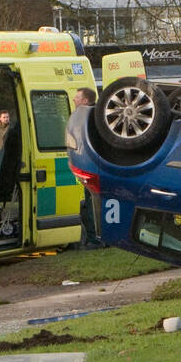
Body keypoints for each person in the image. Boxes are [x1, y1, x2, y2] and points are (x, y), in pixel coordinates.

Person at [71, 87, 103, 248]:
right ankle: (98, 238)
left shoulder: (89, 117)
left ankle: (96, 239)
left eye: (77, 97)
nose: (74, 100)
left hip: (93, 169)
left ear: (85, 100)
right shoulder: (95, 114)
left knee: (92, 205)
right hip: (93, 167)